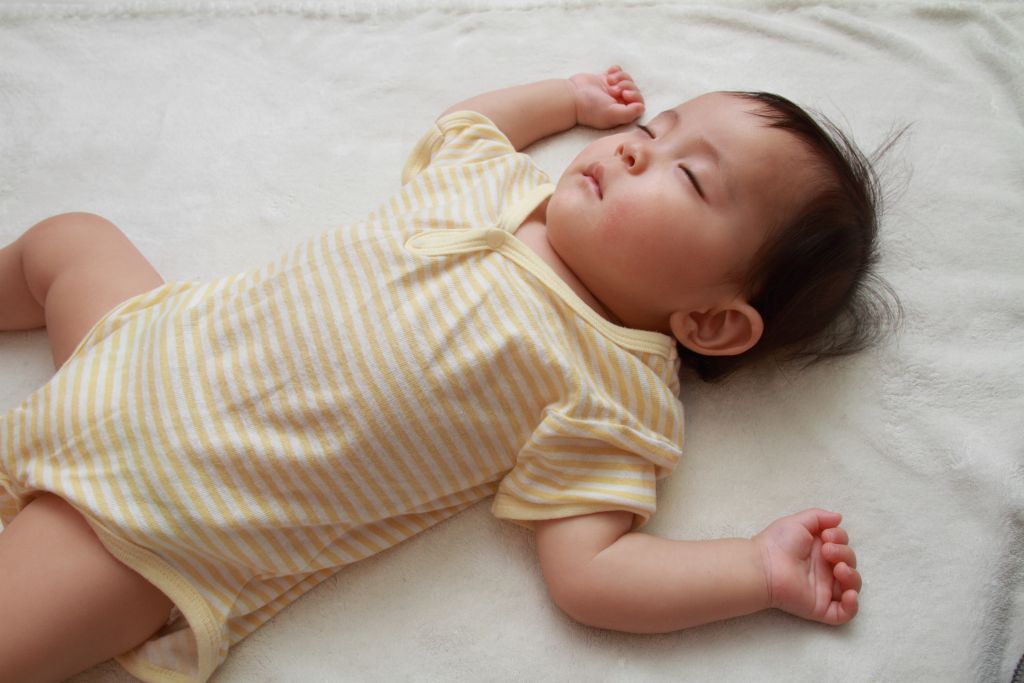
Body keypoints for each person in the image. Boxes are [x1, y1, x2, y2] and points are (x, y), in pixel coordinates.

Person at [0, 66, 887, 682]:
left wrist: (754, 569)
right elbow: (468, 123)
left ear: (712, 322)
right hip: (136, 346)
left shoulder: (612, 389)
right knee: (67, 240)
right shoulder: (498, 184)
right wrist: (566, 95)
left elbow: (595, 573)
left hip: (155, 521)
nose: (630, 149)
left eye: (687, 177)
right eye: (655, 129)